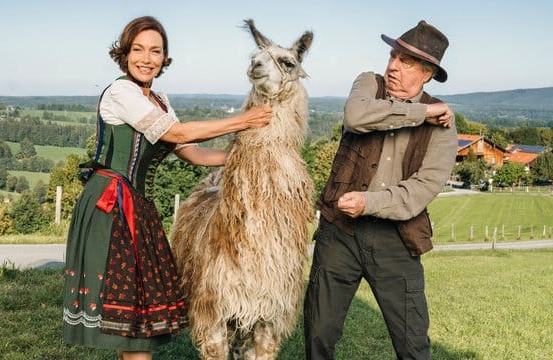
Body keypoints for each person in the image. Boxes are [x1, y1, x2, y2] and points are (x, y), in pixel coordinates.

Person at [62, 16, 272, 360]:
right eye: (138, 50)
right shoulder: (121, 93)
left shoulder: (158, 99)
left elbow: (193, 153)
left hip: (138, 207)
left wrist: (243, 154)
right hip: (111, 205)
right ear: (125, 54)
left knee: (134, 320)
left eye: (155, 51)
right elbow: (178, 134)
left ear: (164, 58)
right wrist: (243, 120)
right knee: (134, 328)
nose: (147, 58)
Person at [304, 20, 457, 359]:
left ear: (428, 72)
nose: (392, 66)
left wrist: (368, 202)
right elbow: (356, 116)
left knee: (413, 344)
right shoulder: (367, 84)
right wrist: (421, 112)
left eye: (406, 61)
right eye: (393, 55)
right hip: (339, 234)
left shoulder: (444, 125)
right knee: (318, 334)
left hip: (396, 241)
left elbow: (421, 190)